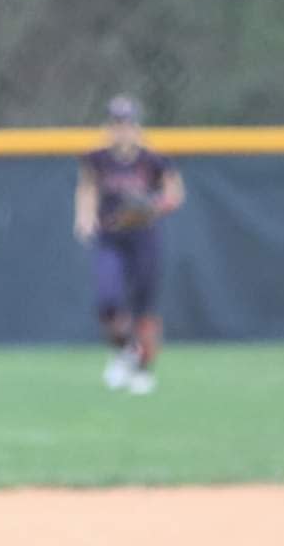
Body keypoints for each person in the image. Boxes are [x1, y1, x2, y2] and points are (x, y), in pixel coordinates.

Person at [73, 95, 184, 395]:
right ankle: (125, 354)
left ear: (136, 126)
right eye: (116, 123)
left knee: (143, 308)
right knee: (108, 302)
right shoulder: (96, 158)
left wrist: (152, 205)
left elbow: (174, 193)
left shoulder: (153, 160)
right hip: (111, 235)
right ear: (109, 126)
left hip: (143, 236)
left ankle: (142, 370)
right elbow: (87, 188)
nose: (122, 129)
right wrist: (84, 218)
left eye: (127, 123)